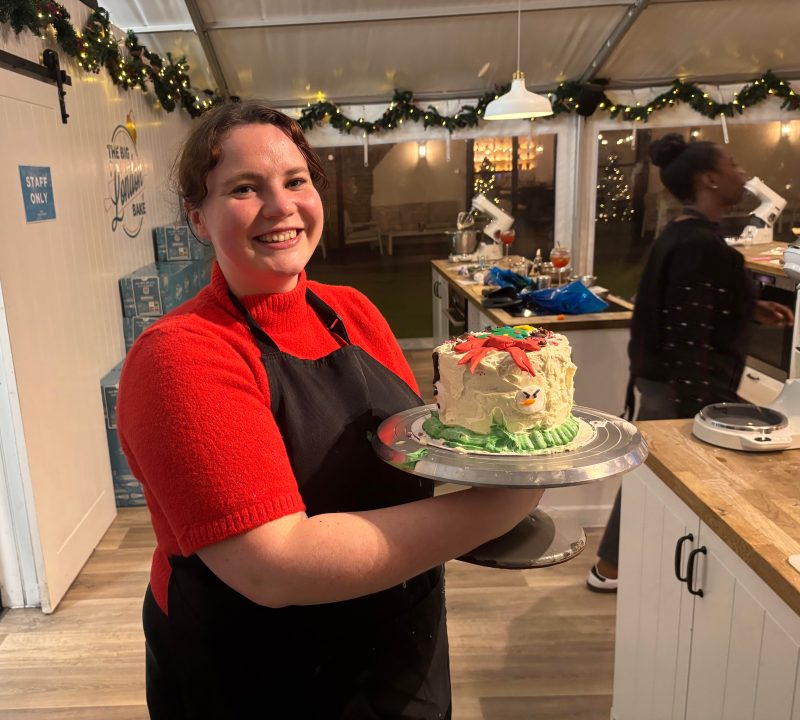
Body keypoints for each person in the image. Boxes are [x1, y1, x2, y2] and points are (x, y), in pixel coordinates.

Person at [117, 100, 545, 719]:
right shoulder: (181, 356)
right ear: (198, 219)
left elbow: (415, 443)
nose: (280, 206)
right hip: (257, 671)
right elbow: (274, 566)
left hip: (399, 636)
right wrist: (505, 502)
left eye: (296, 180)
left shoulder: (351, 310)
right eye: (244, 188)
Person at [586, 133, 794, 593]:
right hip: (682, 385)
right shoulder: (699, 242)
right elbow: (685, 327)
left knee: (651, 472)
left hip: (671, 380)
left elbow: (689, 301)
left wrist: (750, 306)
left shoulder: (686, 233)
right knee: (654, 474)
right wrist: (706, 404)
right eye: (734, 163)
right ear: (709, 179)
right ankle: (613, 568)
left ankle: (617, 565)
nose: (743, 173)